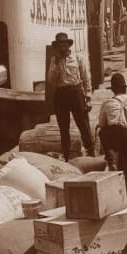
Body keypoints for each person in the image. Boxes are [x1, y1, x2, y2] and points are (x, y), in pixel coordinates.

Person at [46, 31, 95, 160]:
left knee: (83, 123)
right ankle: (67, 155)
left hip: (76, 92)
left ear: (68, 45)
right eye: (59, 46)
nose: (62, 48)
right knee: (63, 126)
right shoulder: (54, 60)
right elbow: (51, 80)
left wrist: (88, 98)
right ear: (56, 47)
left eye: (64, 45)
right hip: (61, 94)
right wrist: (56, 64)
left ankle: (91, 151)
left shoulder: (78, 58)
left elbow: (86, 78)